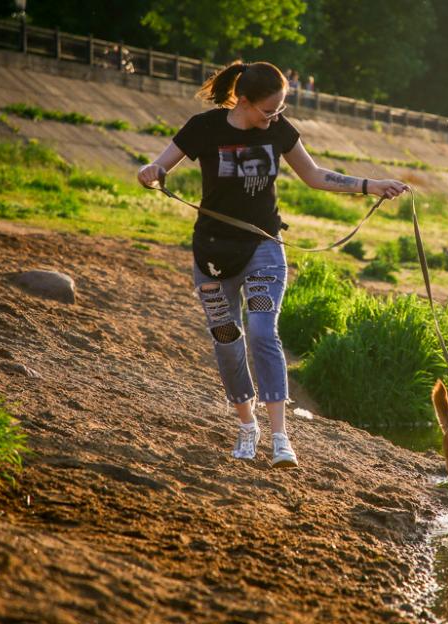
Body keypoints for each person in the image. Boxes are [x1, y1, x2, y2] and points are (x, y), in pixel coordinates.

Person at [137, 61, 407, 467]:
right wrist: (151, 172)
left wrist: (370, 186)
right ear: (243, 102)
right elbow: (159, 166)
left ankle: (281, 437)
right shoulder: (203, 128)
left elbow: (315, 175)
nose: (275, 117)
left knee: (263, 331)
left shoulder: (278, 129)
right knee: (227, 341)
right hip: (212, 254)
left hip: (263, 250)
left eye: (280, 109)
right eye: (269, 110)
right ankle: (248, 426)